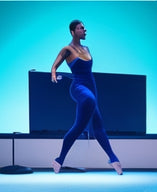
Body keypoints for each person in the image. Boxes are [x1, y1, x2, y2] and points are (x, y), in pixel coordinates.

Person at [50, 20, 122, 175]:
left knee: (95, 128)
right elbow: (54, 66)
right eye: (81, 28)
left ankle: (113, 159)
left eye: (84, 28)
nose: (84, 30)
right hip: (78, 88)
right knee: (88, 102)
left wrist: (94, 94)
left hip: (91, 88)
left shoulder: (87, 48)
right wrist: (54, 74)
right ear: (72, 32)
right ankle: (61, 159)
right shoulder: (67, 49)